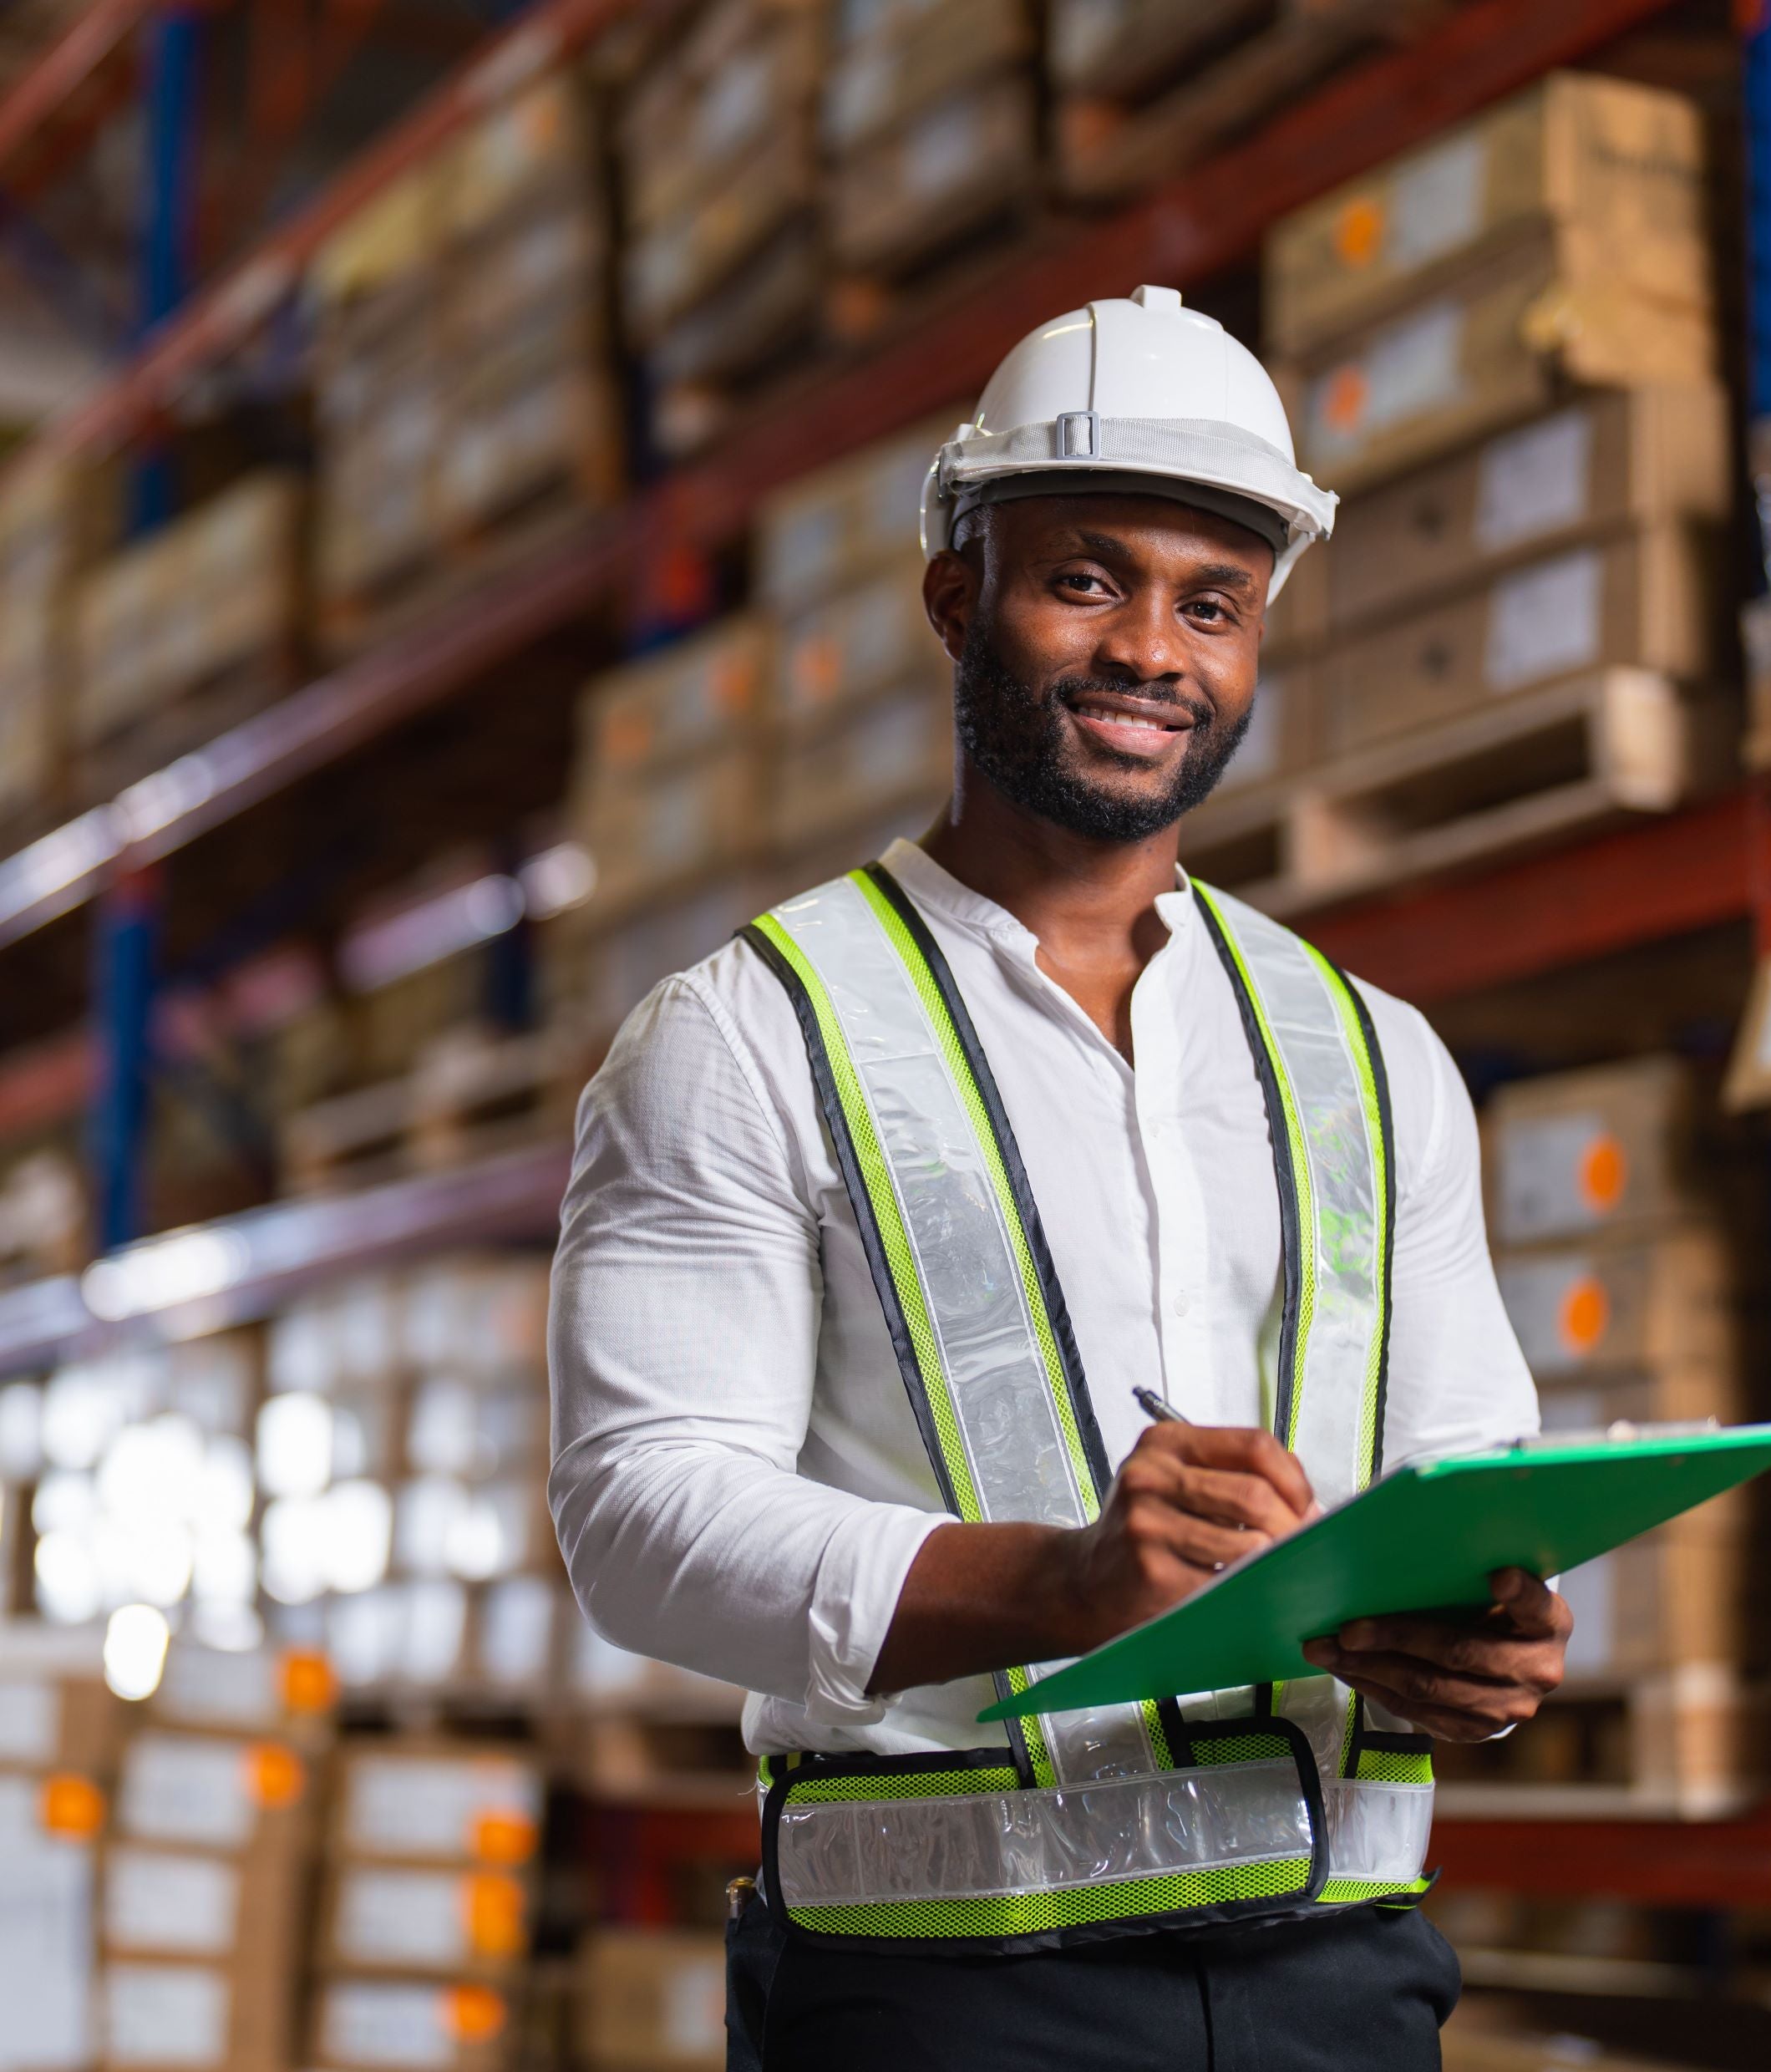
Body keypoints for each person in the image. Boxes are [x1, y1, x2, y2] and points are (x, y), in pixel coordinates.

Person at [549, 285, 1570, 2072]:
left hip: (1339, 1985)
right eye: (1086, 579)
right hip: (942, 2000)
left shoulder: (1371, 1051)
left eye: (1212, 603)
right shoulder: (747, 1032)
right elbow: (639, 1518)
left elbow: (1463, 1461)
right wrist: (1058, 1581)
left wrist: (1478, 1638)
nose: (1151, 651)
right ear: (960, 597)